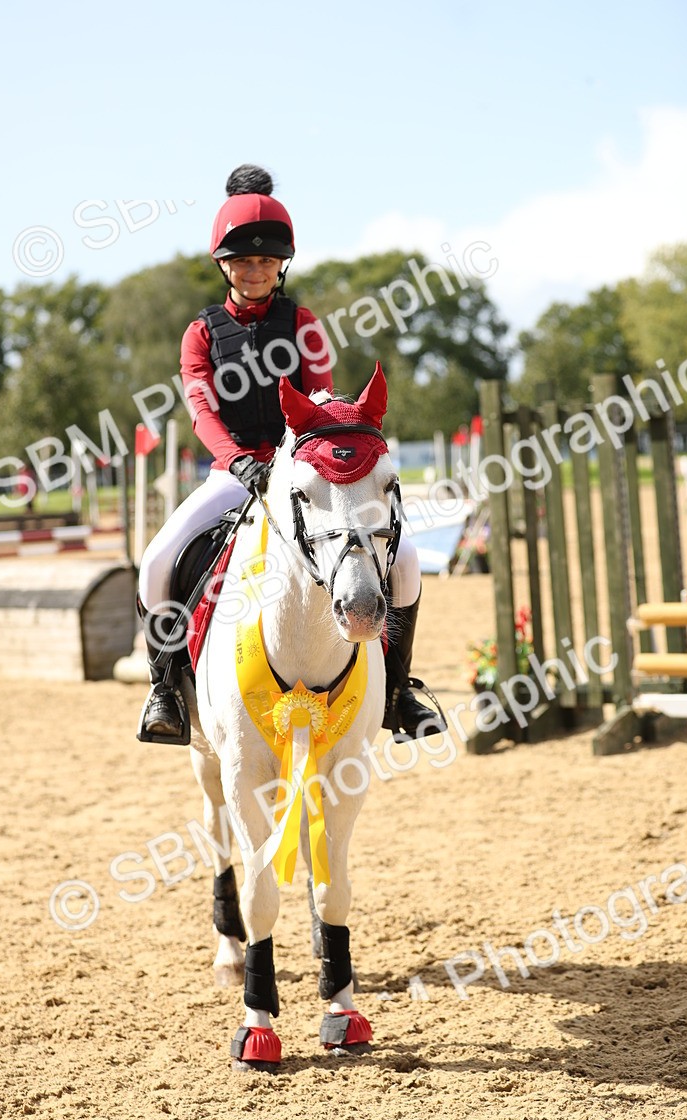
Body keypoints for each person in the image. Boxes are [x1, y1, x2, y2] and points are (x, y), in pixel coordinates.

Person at [137, 164, 445, 746]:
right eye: (244, 262)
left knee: (402, 559)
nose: (255, 271)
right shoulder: (200, 334)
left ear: (282, 265)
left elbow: (321, 400)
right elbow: (202, 409)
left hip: (300, 468)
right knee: (157, 561)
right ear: (224, 265)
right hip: (233, 473)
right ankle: (165, 689)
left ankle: (399, 689)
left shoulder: (302, 324)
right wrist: (236, 459)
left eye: (266, 262)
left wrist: (293, 459)